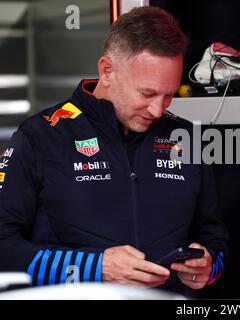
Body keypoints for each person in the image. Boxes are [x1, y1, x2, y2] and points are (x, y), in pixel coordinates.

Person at [0, 6, 227, 296]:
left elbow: (216, 240)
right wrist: (95, 267)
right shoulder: (39, 136)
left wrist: (208, 266)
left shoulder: (186, 138)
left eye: (168, 94)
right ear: (107, 71)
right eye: (147, 93)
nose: (158, 109)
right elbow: (3, 247)